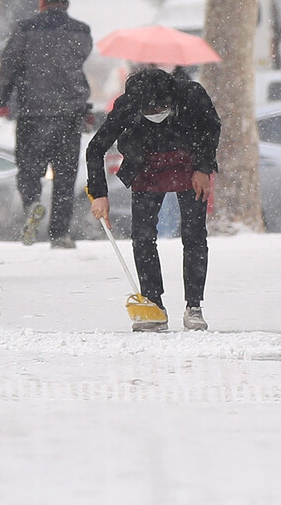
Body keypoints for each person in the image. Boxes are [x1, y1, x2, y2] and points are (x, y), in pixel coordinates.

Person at [86, 66, 220, 332]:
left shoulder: (192, 95)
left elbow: (211, 129)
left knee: (194, 235)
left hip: (188, 164)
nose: (154, 114)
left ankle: (194, 305)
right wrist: (99, 195)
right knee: (143, 236)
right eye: (148, 111)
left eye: (159, 108)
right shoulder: (128, 105)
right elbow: (95, 149)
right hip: (146, 167)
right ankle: (153, 303)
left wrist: (203, 168)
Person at [0, 0, 93, 249]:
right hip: (69, 114)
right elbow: (79, 61)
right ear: (67, 2)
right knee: (65, 176)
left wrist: (2, 99)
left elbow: (9, 65)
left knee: (28, 170)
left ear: (41, 2)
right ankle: (59, 234)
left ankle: (32, 205)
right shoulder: (82, 32)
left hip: (32, 112)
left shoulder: (24, 29)